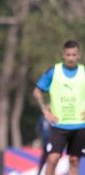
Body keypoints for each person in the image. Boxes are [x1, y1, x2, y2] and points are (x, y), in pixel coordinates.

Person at [33, 40, 85, 175]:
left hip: (80, 125)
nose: (71, 58)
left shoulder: (83, 72)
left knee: (74, 161)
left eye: (74, 55)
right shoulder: (53, 71)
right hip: (58, 125)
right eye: (68, 55)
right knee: (52, 159)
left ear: (79, 55)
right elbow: (37, 92)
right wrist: (45, 111)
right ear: (63, 54)